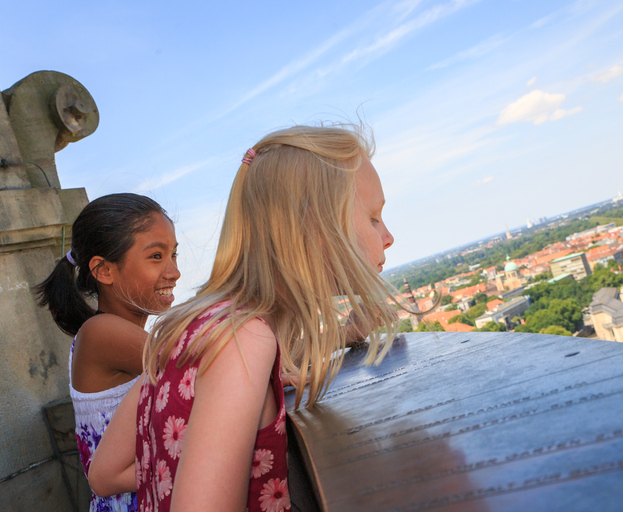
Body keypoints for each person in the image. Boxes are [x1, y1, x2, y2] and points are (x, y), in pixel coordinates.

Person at [89, 124, 399, 512]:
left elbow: (103, 474)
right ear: (313, 229)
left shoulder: (189, 327)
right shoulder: (244, 340)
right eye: (373, 218)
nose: (388, 237)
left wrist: (215, 459)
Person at [35, 193, 181, 512]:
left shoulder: (110, 334)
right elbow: (197, 364)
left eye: (174, 255)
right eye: (156, 256)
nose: (174, 272)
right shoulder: (101, 332)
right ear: (104, 271)